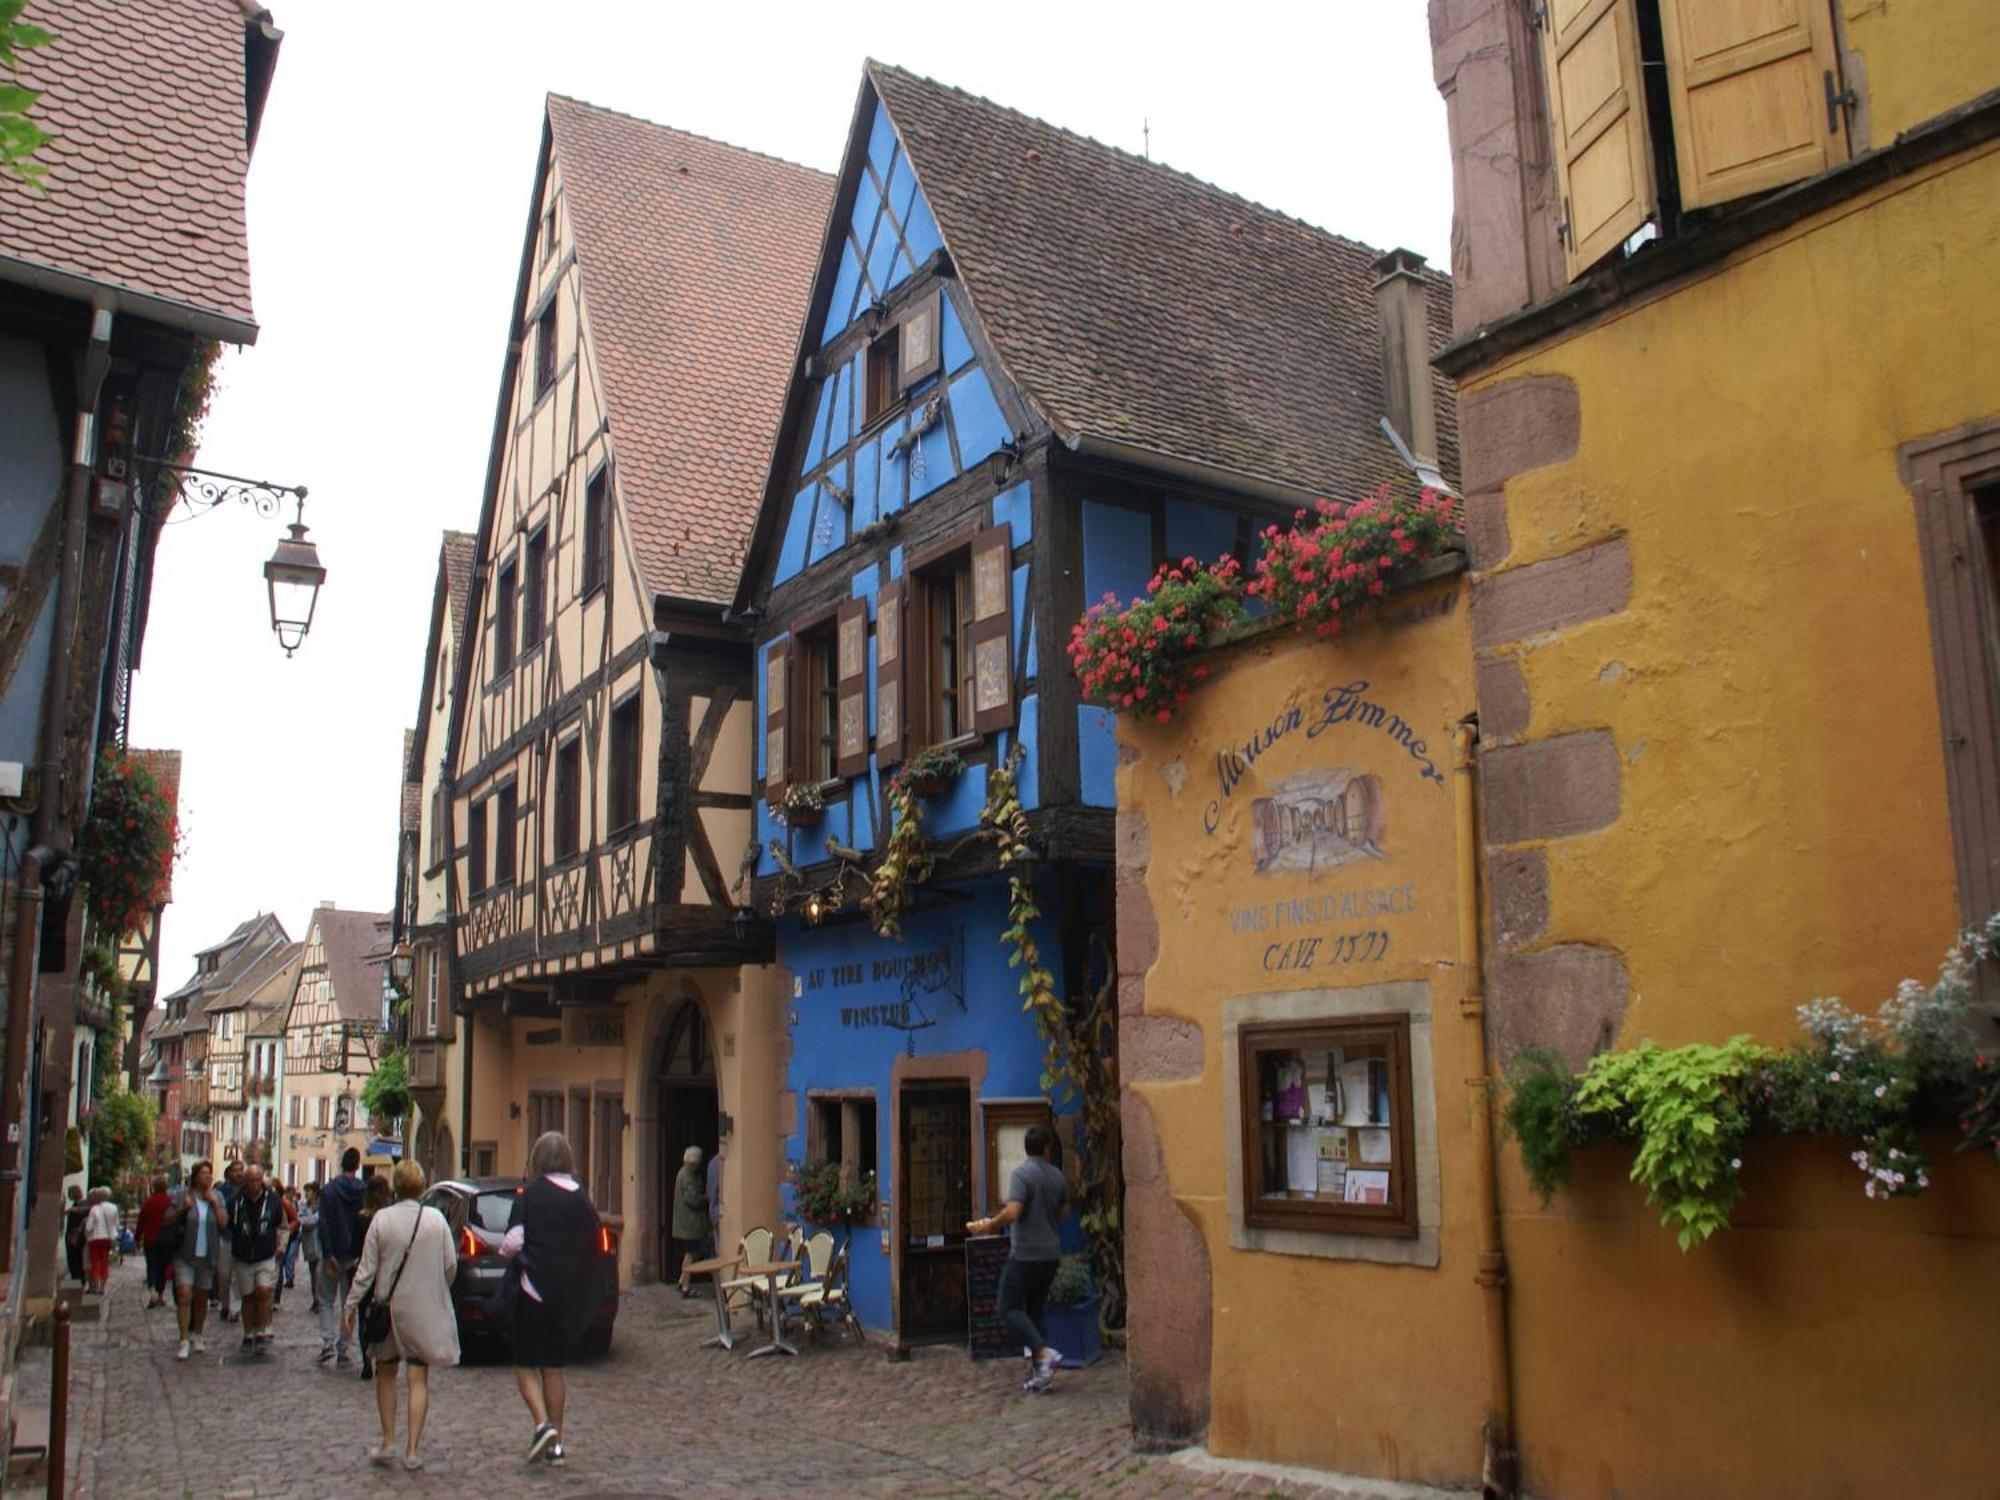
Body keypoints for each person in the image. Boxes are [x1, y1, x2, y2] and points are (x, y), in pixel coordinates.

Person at [342, 1159, 458, 1472]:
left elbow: (365, 1271)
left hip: (388, 1308)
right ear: (421, 1185)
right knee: (418, 1378)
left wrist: (350, 1305)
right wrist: (436, 1290)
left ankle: (389, 1440)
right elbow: (450, 1266)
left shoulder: (382, 1219)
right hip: (422, 1308)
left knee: (387, 1374)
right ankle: (413, 1449)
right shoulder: (435, 1219)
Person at [501, 1131, 604, 1468]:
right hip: (567, 1295)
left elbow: (514, 1243)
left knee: (525, 1363)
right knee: (555, 1368)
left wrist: (503, 1250)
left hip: (533, 1293)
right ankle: (556, 1445)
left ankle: (542, 1423)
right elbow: (595, 1240)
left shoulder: (529, 1196)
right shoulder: (581, 1198)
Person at [967, 1123, 1070, 1393]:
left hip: (1025, 1254)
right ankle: (1042, 1374)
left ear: (1027, 1148)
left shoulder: (1022, 1174)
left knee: (1007, 1307)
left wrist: (989, 1225)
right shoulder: (1058, 1176)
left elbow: (1013, 1211)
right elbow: (1064, 1214)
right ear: (1047, 1147)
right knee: (1035, 1310)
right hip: (1051, 1254)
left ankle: (1043, 1353)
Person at [165, 1160, 228, 1361]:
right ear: (195, 1176)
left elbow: (223, 1223)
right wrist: (183, 1208)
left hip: (207, 1254)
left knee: (201, 1297)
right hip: (185, 1253)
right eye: (203, 1173)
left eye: (209, 1173)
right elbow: (167, 1219)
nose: (207, 1177)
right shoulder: (182, 1195)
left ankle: (197, 1334)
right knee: (184, 1294)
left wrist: (215, 1203)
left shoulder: (217, 1196)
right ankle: (183, 1339)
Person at [226, 1164, 285, 1353]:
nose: (255, 1184)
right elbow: (228, 1225)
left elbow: (281, 1224)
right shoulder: (236, 1202)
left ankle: (261, 1329)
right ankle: (248, 1332)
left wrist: (280, 1244)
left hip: (265, 1254)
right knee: (248, 1297)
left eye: (258, 1180)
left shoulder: (273, 1200)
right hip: (243, 1255)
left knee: (262, 1290)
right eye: (251, 1180)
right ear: (245, 1181)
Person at [316, 1148, 367, 1367]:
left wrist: (328, 1253)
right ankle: (343, 1349)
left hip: (333, 1252)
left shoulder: (329, 1191)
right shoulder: (363, 1191)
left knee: (326, 1299)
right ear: (357, 1165)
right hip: (354, 1255)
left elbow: (324, 1224)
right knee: (350, 1303)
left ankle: (327, 1342)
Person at [356, 1173, 393, 1378]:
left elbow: (354, 1247)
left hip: (365, 1271)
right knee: (383, 1316)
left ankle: (366, 1361)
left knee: (364, 1318)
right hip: (385, 1273)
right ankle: (381, 1360)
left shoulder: (362, 1218)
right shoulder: (389, 1218)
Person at [672, 1145, 711, 1297]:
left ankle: (682, 1281)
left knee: (691, 1254)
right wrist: (704, 1198)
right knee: (691, 1254)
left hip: (688, 1223)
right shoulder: (687, 1176)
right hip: (689, 1224)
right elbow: (691, 1199)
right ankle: (685, 1286)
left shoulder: (686, 1174)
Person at [214, 1159, 246, 1322]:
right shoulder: (221, 1190)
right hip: (225, 1236)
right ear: (230, 1172)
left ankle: (235, 1308)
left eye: (241, 1170)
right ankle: (224, 1303)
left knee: (237, 1276)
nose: (238, 1173)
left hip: (241, 1237)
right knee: (224, 1274)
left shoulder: (248, 1190)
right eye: (235, 1170)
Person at [136, 1175, 174, 1308]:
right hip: (166, 1240)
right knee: (163, 1267)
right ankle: (160, 1293)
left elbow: (141, 1221)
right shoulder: (171, 1201)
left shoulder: (149, 1202)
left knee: (152, 1266)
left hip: (151, 1238)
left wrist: (137, 1238)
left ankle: (153, 1293)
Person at [83, 1187, 120, 1295]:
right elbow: (116, 1224)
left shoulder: (95, 1208)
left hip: (95, 1238)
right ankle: (103, 1287)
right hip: (107, 1239)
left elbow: (89, 1226)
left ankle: (96, 1286)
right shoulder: (114, 1208)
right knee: (104, 1262)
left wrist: (86, 1234)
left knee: (95, 1262)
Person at [275, 1183, 301, 1307]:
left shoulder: (285, 1204)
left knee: (281, 1263)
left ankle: (276, 1299)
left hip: (290, 1237)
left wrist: (287, 1231)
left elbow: (295, 1220)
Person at [298, 1183, 322, 1312]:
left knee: (319, 1274)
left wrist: (313, 1219)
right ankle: (315, 1299)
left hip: (321, 1245)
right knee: (313, 1275)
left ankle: (319, 1300)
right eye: (305, 1191)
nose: (306, 1194)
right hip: (310, 1246)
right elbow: (305, 1222)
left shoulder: (322, 1206)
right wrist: (317, 1217)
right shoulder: (303, 1207)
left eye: (308, 1191)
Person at [62, 1184, 88, 1286]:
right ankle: (78, 1282)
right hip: (75, 1237)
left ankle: (78, 1283)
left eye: (70, 1193)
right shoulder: (79, 1205)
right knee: (75, 1262)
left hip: (76, 1238)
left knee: (75, 1261)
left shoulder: (81, 1205)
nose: (69, 1195)